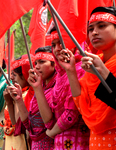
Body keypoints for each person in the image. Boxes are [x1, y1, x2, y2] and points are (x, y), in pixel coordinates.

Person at [57, 6, 116, 150]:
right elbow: (81, 105)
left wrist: (103, 72)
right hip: (95, 141)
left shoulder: (98, 66)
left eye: (102, 26)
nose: (94, 32)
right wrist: (71, 71)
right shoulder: (94, 65)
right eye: (90, 29)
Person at [44, 27, 90, 149]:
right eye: (54, 45)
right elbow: (50, 119)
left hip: (79, 142)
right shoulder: (60, 74)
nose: (57, 48)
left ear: (76, 43)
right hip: (59, 143)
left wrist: (51, 133)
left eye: (62, 42)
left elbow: (72, 114)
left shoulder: (83, 69)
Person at [7, 46, 56, 150]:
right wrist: (18, 100)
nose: (37, 67)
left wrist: (37, 89)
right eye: (36, 63)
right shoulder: (37, 90)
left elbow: (49, 123)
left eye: (42, 62)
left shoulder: (57, 88)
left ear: (54, 63)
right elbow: (28, 125)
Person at [3, 54, 34, 150]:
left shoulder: (29, 94)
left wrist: (16, 100)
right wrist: (9, 102)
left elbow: (20, 127)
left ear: (25, 74)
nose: (11, 77)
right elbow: (15, 123)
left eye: (14, 74)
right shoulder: (24, 93)